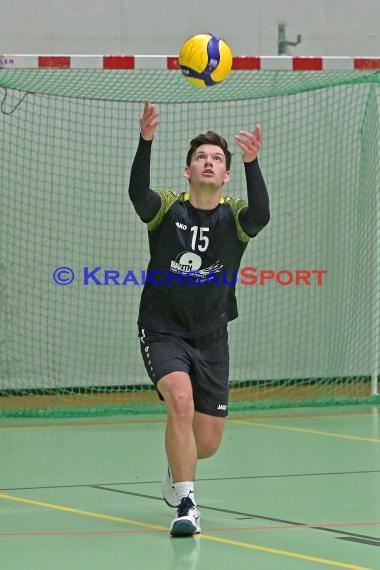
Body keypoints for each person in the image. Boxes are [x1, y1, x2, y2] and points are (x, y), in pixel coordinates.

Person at [128, 100, 270, 537]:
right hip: (162, 328)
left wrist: (253, 162)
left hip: (211, 335)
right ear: (187, 170)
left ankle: (177, 467)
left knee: (205, 440)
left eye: (216, 159)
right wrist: (145, 139)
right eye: (200, 157)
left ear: (226, 174)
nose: (208, 162)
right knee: (181, 402)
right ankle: (188, 504)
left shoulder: (236, 217)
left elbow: (261, 214)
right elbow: (138, 194)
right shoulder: (167, 208)